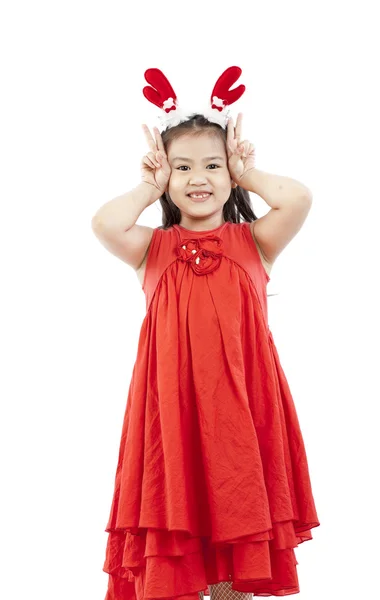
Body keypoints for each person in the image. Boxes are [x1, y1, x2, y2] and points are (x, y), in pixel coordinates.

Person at [91, 67, 320, 600]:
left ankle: (229, 593)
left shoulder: (255, 241)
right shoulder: (152, 247)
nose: (200, 177)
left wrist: (248, 174)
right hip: (172, 412)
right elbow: (105, 223)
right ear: (166, 177)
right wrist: (147, 188)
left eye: (213, 165)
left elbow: (299, 199)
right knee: (179, 501)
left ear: (230, 174)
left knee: (237, 500)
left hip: (241, 409)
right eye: (183, 167)